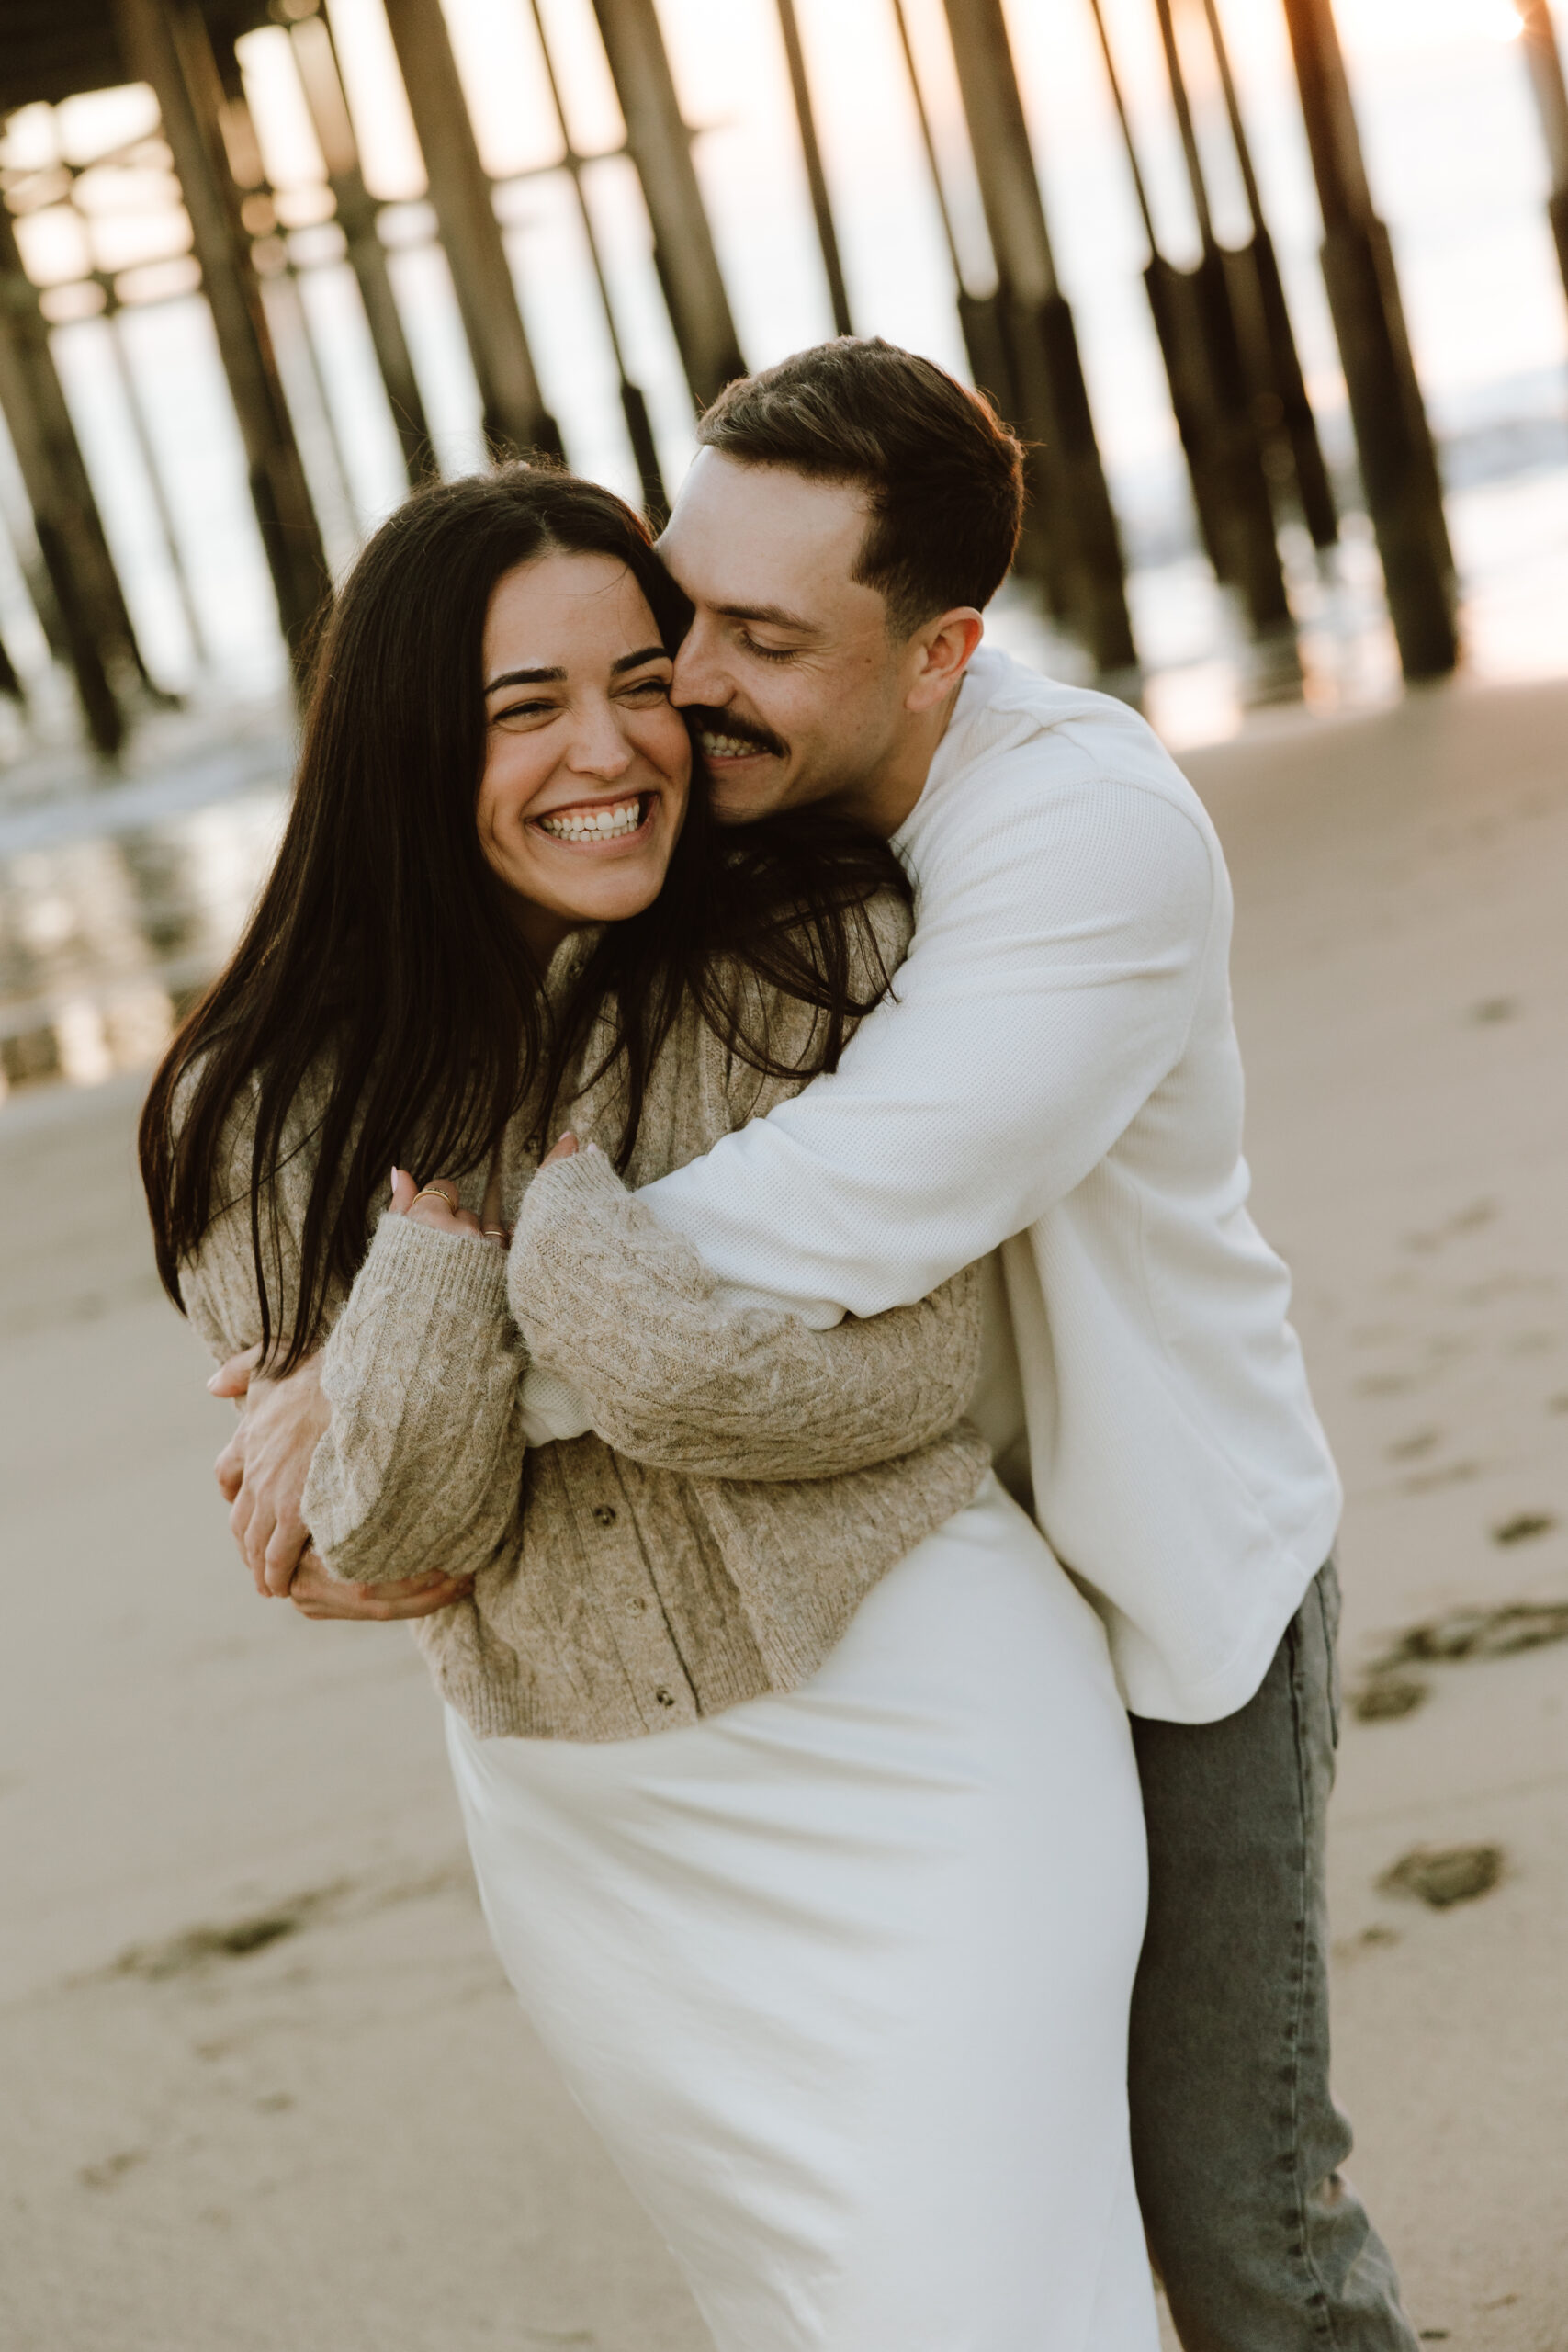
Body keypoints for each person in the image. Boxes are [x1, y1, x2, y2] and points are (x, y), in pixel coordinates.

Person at [217, 338, 1420, 2351]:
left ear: (938, 650)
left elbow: (812, 1240)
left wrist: (374, 1365)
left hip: (1146, 1578)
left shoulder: (1065, 844)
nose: (686, 680)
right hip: (811, 1648)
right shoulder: (682, 862)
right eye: (683, 602)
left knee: (1230, 2227)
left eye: (758, 638)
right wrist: (322, 1388)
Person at [145, 464, 1160, 2349]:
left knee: (992, 2298)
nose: (609, 750)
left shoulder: (813, 946)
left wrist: (530, 1259)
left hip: (930, 1730)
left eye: (641, 683)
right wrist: (437, 1246)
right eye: (524, 708)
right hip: (594, 1827)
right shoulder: (261, 1107)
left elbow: (905, 1375)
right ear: (403, 749)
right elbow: (393, 1524)